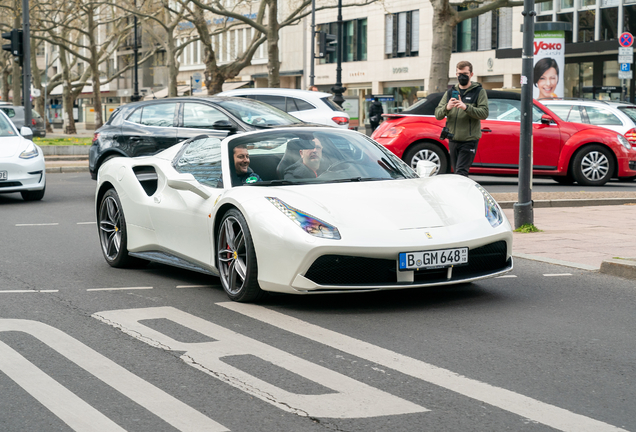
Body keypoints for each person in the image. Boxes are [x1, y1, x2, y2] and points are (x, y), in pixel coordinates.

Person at [434, 60, 489, 177]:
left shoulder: (478, 92)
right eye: (459, 74)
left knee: (461, 173)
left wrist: (466, 107)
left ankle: (462, 194)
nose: (462, 77)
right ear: (456, 74)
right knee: (456, 173)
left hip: (469, 140)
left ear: (471, 75)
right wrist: (447, 107)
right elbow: (438, 114)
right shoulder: (450, 92)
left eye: (465, 74)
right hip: (453, 139)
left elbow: (484, 113)